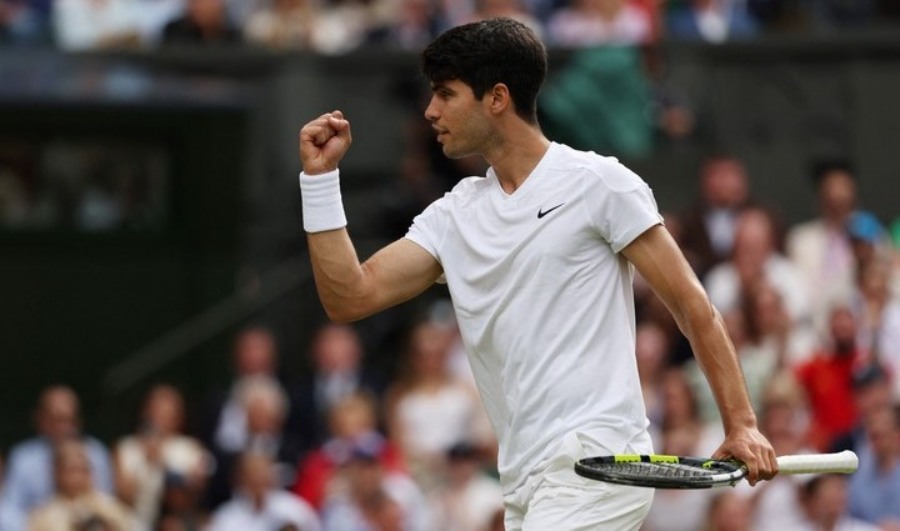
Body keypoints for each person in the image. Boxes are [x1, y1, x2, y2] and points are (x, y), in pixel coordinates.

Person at [295, 17, 776, 528]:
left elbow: (691, 304)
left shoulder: (599, 184)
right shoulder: (454, 216)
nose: (431, 110)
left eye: (446, 94)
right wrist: (319, 182)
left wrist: (742, 424)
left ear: (497, 98)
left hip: (597, 464)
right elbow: (350, 295)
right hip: (524, 481)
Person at [0, 386, 114, 531]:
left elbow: (107, 501)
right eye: (57, 420)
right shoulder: (23, 458)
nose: (64, 427)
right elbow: (10, 509)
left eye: (69, 420)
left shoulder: (96, 453)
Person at [28, 439, 133, 531]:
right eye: (72, 470)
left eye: (84, 469)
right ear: (57, 473)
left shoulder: (110, 508)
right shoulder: (43, 516)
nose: (78, 476)